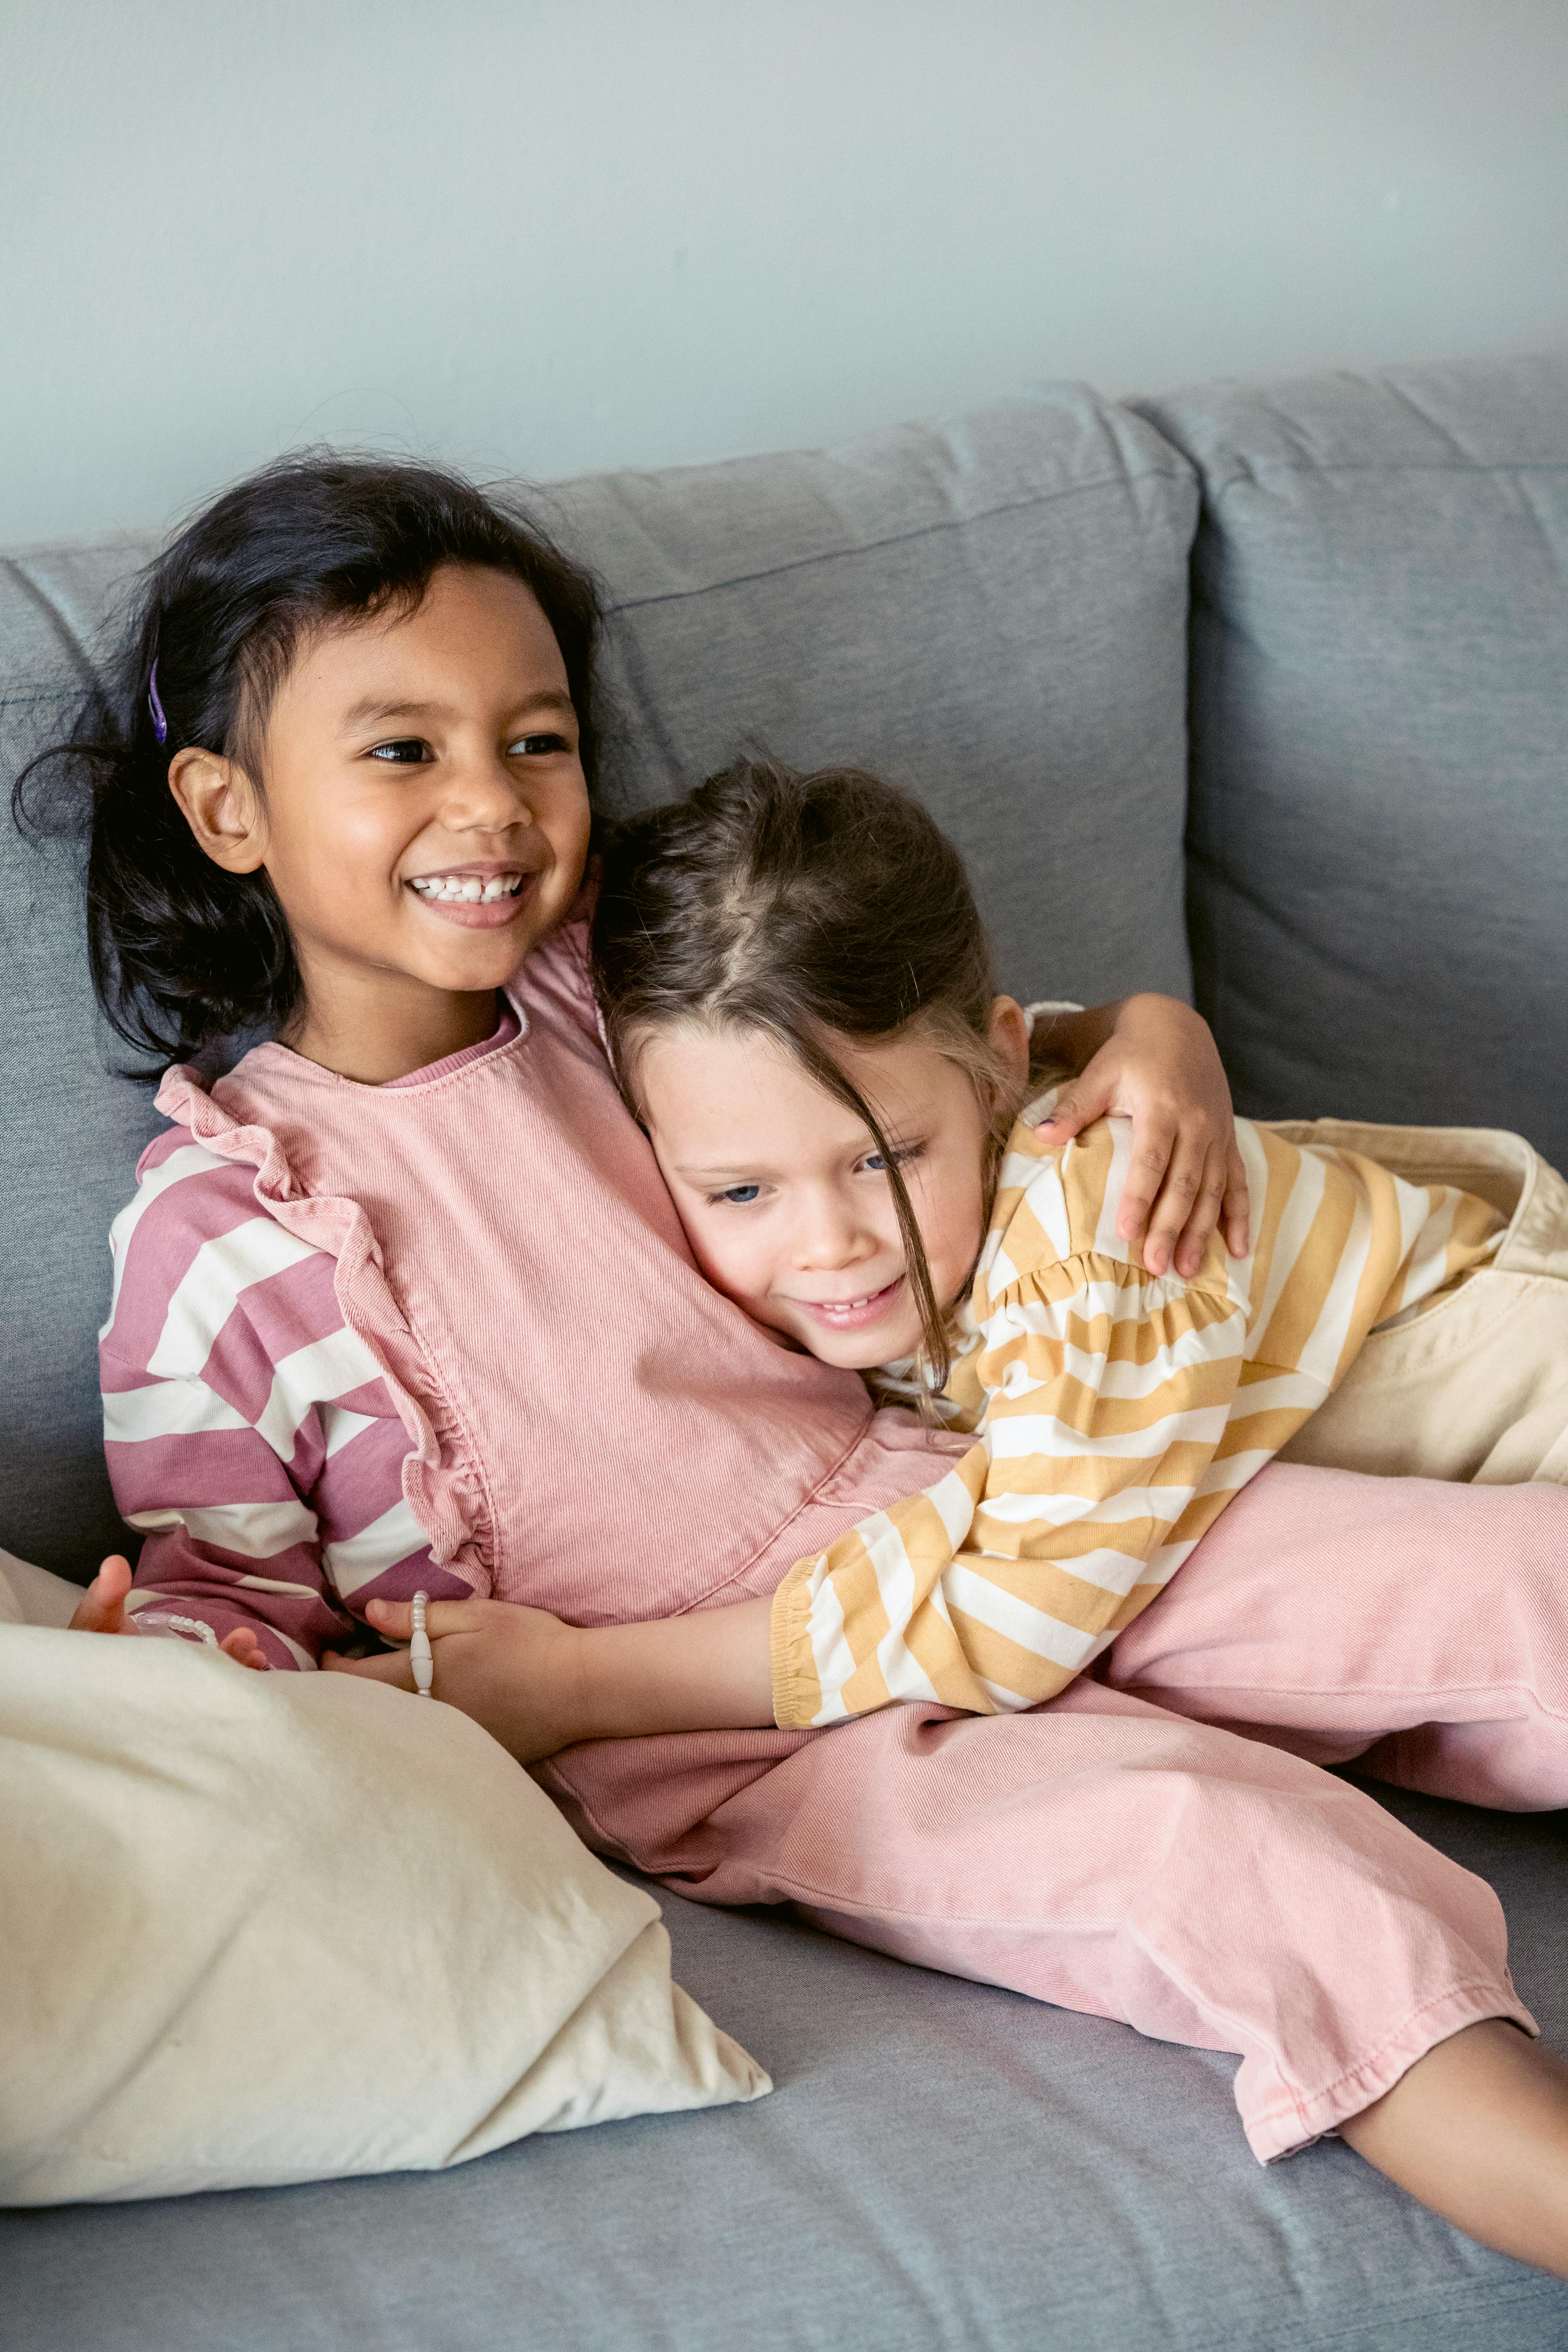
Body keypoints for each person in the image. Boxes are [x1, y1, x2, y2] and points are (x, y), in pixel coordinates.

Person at [38, 458, 1568, 2274]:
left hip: (987, 1513)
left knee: (1507, 1584)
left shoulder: (619, 984)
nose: (494, 805)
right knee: (1253, 1875)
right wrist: (178, 1663)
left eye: (536, 742)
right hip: (710, 1720)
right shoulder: (221, 1235)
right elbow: (245, 1600)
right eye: (399, 752)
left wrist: (1158, 1039)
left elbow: (937, 1062)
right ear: (227, 807)